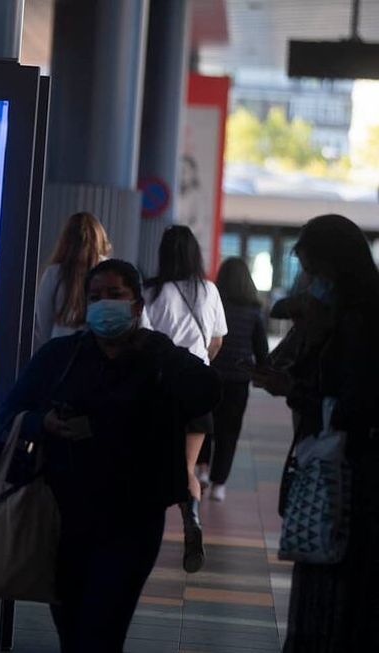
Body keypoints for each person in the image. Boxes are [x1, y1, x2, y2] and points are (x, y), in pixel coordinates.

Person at [0, 259, 220, 651]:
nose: (103, 305)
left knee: (102, 631)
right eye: (95, 297)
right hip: (63, 516)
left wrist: (159, 349)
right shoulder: (62, 356)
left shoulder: (156, 356)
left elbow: (206, 393)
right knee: (72, 629)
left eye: (115, 295)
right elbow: (5, 416)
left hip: (133, 520)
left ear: (136, 305)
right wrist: (43, 422)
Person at [250, 215, 379, 652]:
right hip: (330, 476)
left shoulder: (361, 324)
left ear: (337, 267)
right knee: (320, 578)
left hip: (351, 482)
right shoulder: (331, 320)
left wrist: (297, 390)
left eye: (314, 270)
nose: (309, 281)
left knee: (335, 593)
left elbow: (355, 402)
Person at [143, 225, 226, 573]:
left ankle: (145, 533)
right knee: (187, 467)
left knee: (149, 464)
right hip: (195, 387)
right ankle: (191, 520)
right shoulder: (208, 291)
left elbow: (144, 340)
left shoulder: (151, 291)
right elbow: (217, 340)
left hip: (159, 388)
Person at [195, 257, 268, 502]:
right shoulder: (254, 311)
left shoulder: (214, 304)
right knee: (229, 432)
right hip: (238, 380)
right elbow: (261, 349)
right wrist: (262, 373)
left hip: (211, 373)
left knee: (206, 423)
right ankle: (219, 485)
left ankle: (202, 469)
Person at [33, 211, 112, 347]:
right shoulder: (110, 270)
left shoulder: (54, 273)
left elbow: (42, 323)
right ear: (100, 239)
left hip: (59, 351)